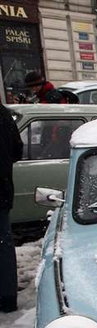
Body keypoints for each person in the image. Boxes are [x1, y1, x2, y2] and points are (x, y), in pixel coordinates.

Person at [0, 102, 22, 312]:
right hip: (3, 188)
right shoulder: (4, 115)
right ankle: (7, 297)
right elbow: (18, 151)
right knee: (4, 244)